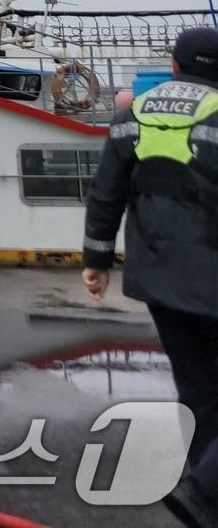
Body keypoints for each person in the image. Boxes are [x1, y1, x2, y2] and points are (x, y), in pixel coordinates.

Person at [82, 26, 218, 526]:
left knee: (200, 391)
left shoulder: (129, 118)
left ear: (176, 65)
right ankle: (204, 491)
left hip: (159, 281)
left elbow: (105, 196)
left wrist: (95, 262)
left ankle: (204, 492)